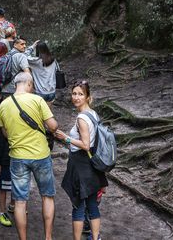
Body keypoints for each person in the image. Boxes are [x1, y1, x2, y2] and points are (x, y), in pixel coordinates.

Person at [0, 72, 58, 240]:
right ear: (29, 84)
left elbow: (5, 133)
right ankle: (48, 237)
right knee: (47, 196)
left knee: (20, 201)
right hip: (41, 155)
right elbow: (53, 126)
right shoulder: (38, 100)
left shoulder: (4, 104)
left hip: (17, 157)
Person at [54, 81, 108, 240]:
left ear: (88, 97)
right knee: (92, 204)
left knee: (78, 205)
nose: (76, 97)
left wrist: (66, 138)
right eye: (74, 93)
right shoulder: (93, 114)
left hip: (80, 165)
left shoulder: (82, 118)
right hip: (92, 165)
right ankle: (96, 237)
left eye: (80, 94)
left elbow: (85, 144)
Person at [0, 129, 15, 227]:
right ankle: (2, 212)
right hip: (7, 160)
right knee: (4, 188)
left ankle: (13, 205)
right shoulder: (4, 122)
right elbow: (0, 144)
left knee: (17, 185)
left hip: (20, 159)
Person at [27, 41, 57, 107]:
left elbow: (24, 55)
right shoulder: (53, 60)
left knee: (39, 114)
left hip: (40, 92)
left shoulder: (35, 61)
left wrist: (32, 46)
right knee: (47, 113)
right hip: (52, 92)